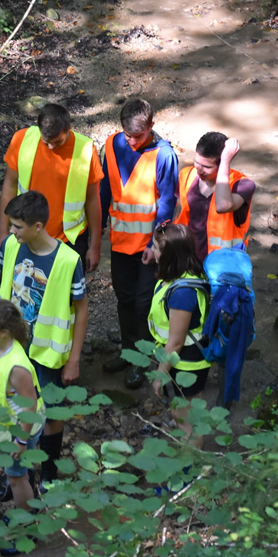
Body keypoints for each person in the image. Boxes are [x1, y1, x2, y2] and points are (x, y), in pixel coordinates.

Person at [0, 192, 87, 491]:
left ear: (38, 226)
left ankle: (48, 473)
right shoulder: (10, 246)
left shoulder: (68, 260)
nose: (11, 231)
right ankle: (16, 472)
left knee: (51, 412)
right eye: (11, 225)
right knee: (12, 407)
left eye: (18, 226)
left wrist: (74, 359)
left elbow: (82, 308)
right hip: (11, 347)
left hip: (48, 352)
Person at [99, 99, 180, 389]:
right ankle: (128, 351)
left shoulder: (164, 155)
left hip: (150, 248)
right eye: (129, 135)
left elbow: (167, 204)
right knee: (125, 300)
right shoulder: (111, 145)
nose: (133, 142)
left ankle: (142, 360)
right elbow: (104, 190)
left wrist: (154, 245)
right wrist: (96, 235)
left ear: (151, 127)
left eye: (139, 136)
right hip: (120, 243)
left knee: (144, 302)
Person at [0, 103, 103, 272]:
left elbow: (93, 199)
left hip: (69, 242)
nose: (52, 147)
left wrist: (95, 246)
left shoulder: (86, 151)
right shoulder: (22, 139)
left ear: (69, 127)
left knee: (66, 297)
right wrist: (3, 234)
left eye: (58, 142)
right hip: (27, 237)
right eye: (46, 143)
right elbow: (9, 186)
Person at [0, 299, 45, 514]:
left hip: (21, 429)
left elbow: (30, 406)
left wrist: (21, 441)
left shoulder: (17, 366)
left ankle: (26, 523)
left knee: (16, 477)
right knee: (16, 471)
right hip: (5, 426)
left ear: (4, 332)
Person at [146, 224, 211, 449]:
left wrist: (159, 375)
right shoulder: (180, 276)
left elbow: (175, 342)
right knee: (183, 412)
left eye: (156, 247)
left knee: (187, 421)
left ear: (169, 255)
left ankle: (190, 476)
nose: (153, 251)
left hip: (187, 365)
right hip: (181, 361)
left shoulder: (182, 294)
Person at [176, 132, 255, 261]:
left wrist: (225, 161)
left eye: (207, 167)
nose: (199, 170)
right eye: (197, 163)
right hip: (187, 260)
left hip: (223, 266)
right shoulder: (186, 175)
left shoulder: (243, 184)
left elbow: (223, 206)